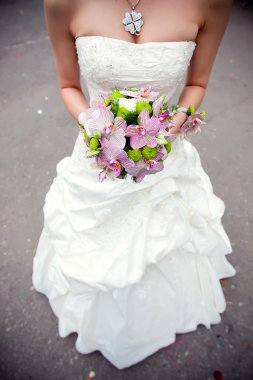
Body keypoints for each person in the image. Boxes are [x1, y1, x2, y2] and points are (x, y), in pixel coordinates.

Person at [32, 0, 236, 370]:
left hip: (161, 156)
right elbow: (67, 85)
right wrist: (99, 129)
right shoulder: (63, 2)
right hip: (98, 160)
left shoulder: (212, 3)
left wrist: (161, 134)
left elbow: (196, 82)